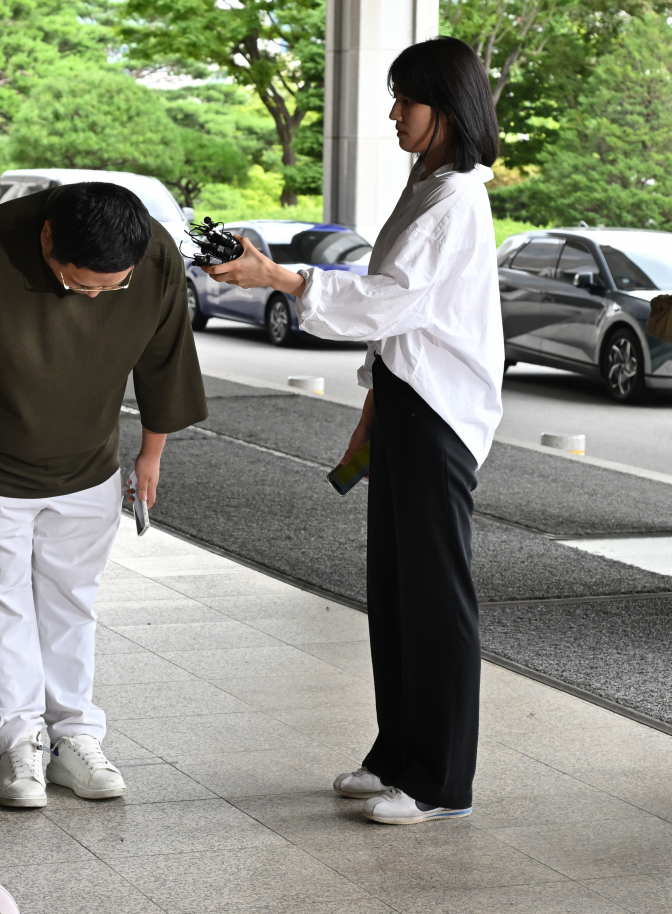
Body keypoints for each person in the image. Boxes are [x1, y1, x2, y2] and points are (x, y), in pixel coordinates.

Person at [204, 36, 503, 825]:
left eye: (408, 98)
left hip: (440, 412)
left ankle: (439, 780)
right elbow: (397, 319)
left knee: (436, 598)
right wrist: (372, 404)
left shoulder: (456, 195)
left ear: (449, 107)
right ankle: (398, 753)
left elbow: (387, 299)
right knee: (397, 589)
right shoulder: (429, 181)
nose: (395, 113)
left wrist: (278, 275)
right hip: (408, 400)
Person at [0, 182, 208, 808]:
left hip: (89, 462)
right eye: (80, 285)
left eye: (108, 288)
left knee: (73, 601)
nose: (94, 296)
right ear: (48, 240)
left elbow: (165, 358)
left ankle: (75, 739)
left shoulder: (152, 257)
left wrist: (151, 453)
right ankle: (18, 743)